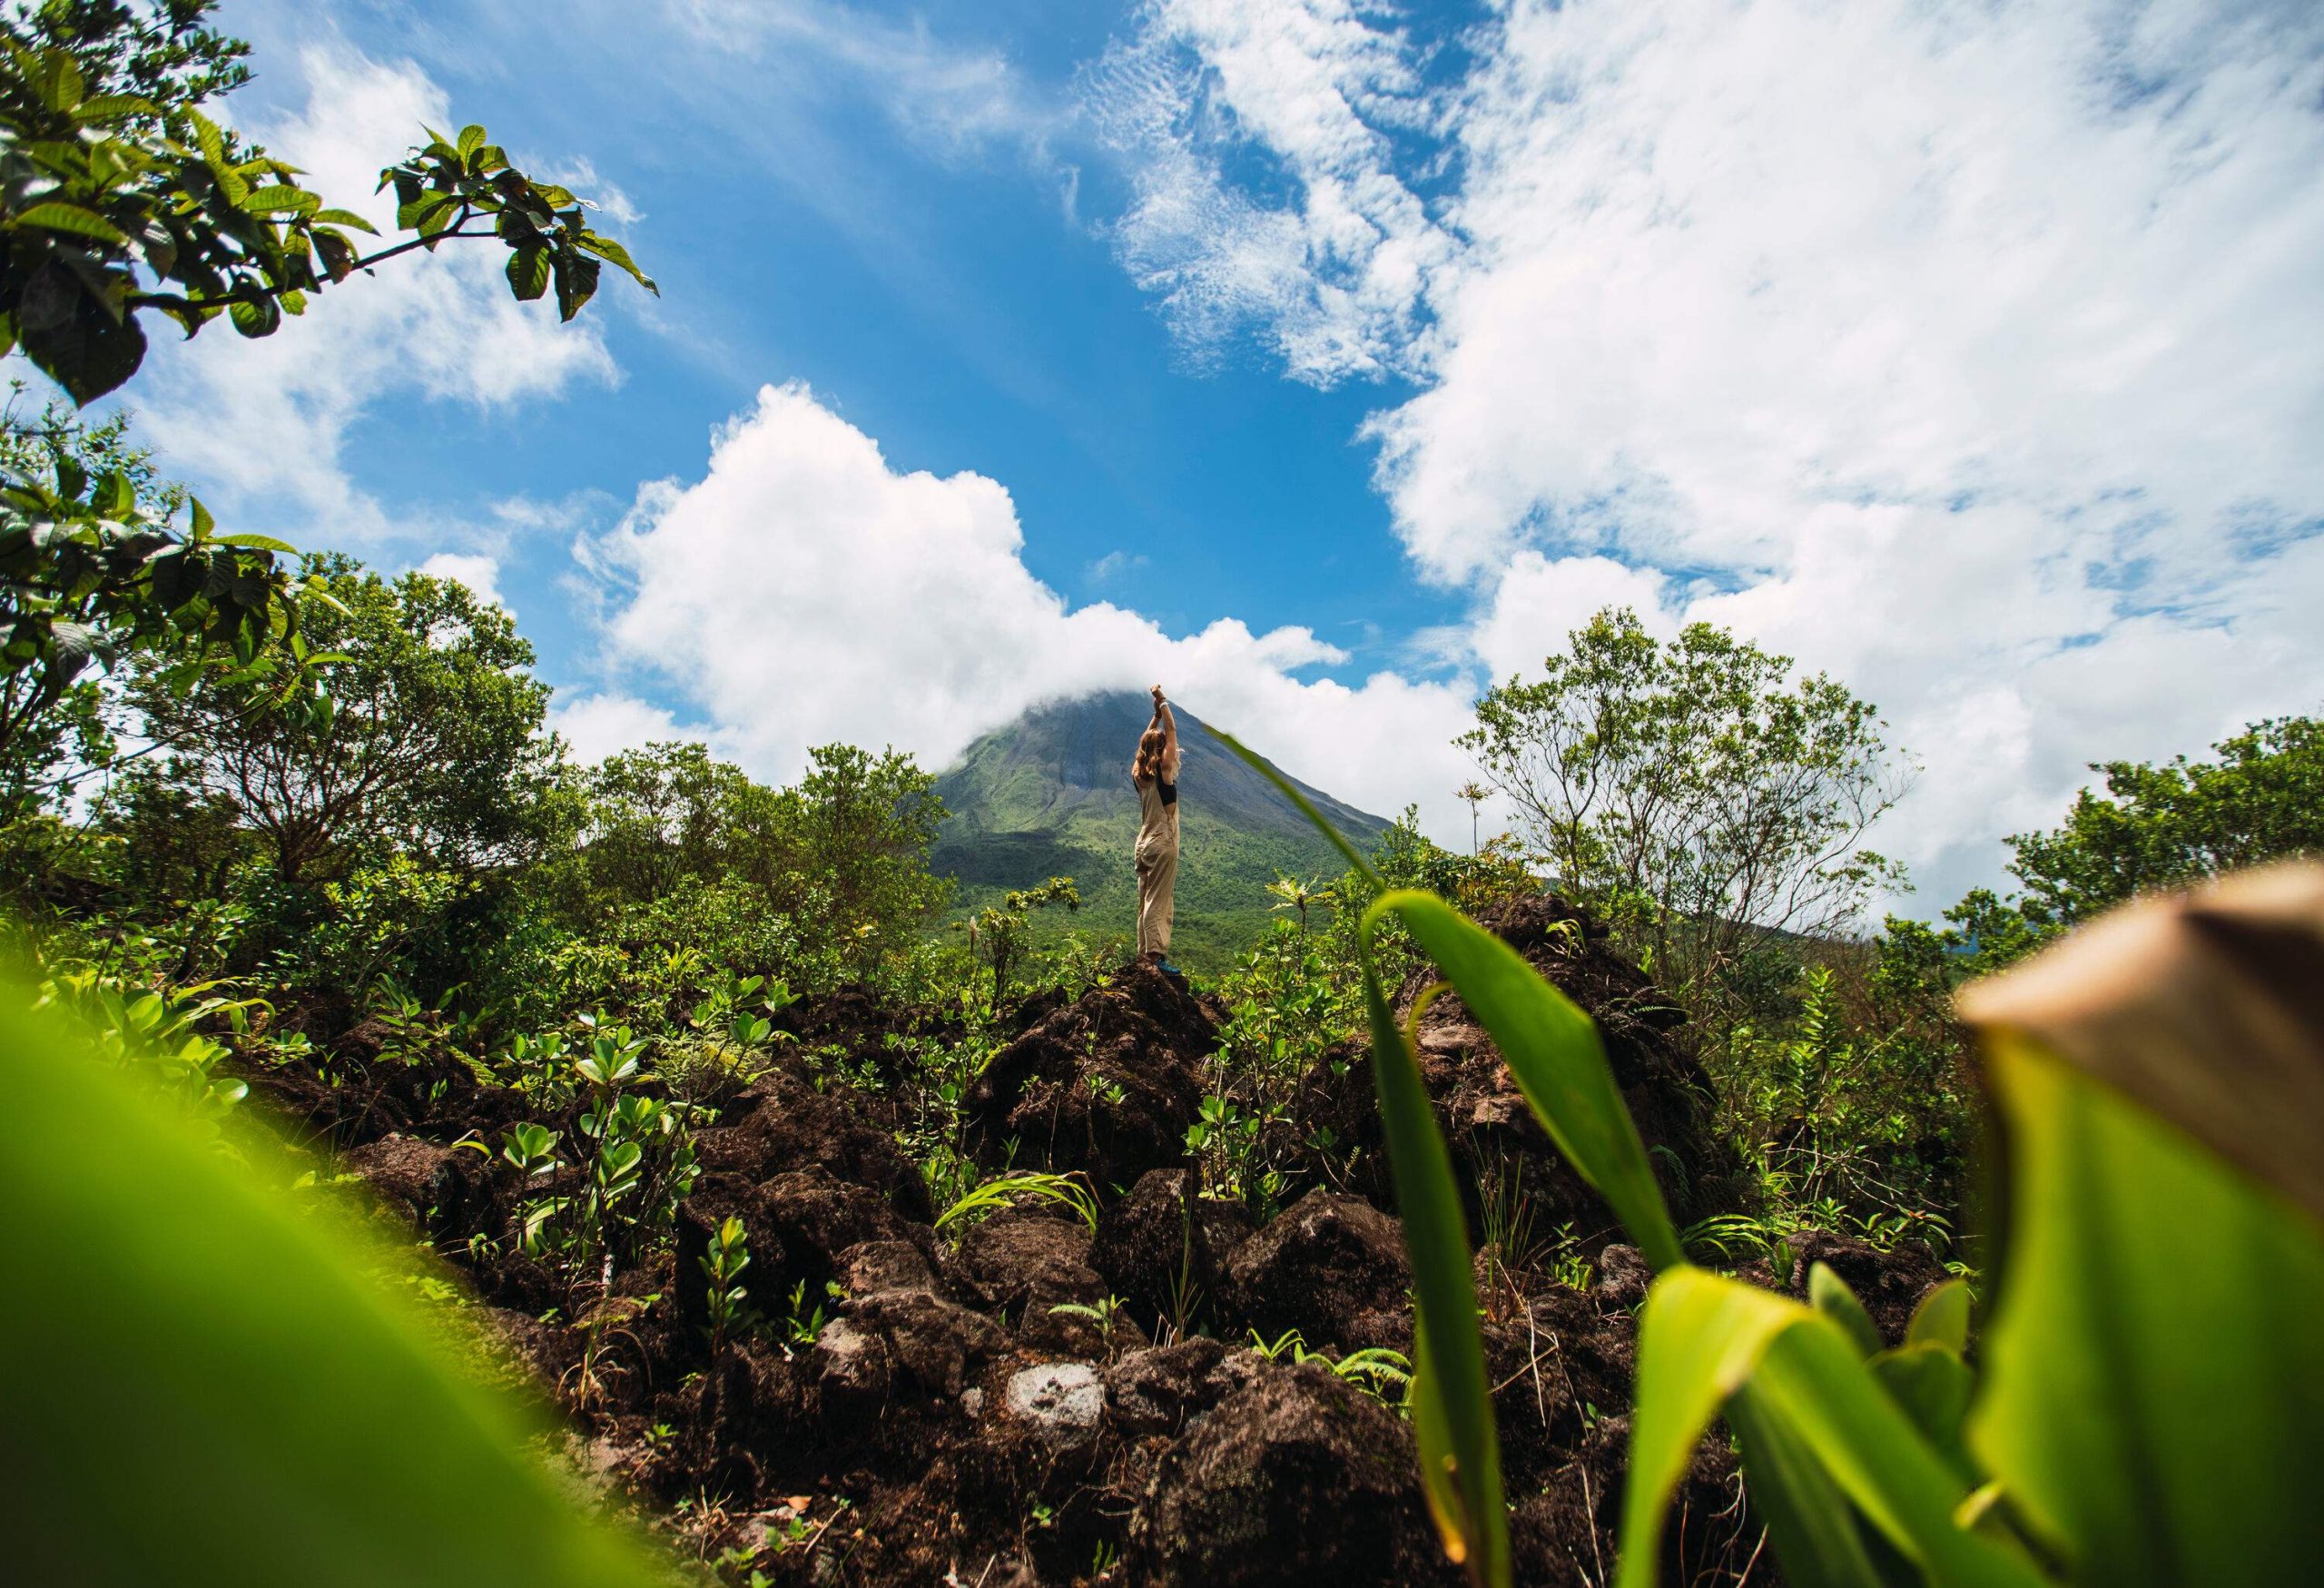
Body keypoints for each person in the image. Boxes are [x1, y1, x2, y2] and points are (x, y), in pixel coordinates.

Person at [1131, 685, 1182, 973]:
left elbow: (1142, 746)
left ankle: (1143, 956)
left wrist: (1153, 719)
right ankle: (1154, 957)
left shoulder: (1139, 774)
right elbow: (1173, 733)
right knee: (1159, 899)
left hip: (1143, 843)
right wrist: (1162, 702)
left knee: (1145, 899)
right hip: (1163, 840)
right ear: (1161, 749)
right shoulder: (1163, 770)